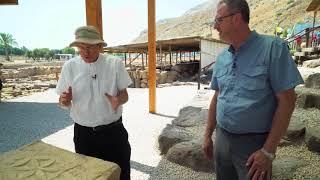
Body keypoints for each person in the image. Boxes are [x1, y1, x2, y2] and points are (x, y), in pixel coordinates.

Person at [202, 0, 304, 180]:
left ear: (236, 18)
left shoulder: (272, 48)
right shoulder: (222, 57)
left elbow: (287, 101)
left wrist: (268, 151)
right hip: (222, 139)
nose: (215, 26)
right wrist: (208, 135)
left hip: (254, 145)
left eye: (218, 20)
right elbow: (217, 97)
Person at [56, 25, 132, 180]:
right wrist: (64, 100)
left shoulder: (114, 64)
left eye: (89, 47)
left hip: (114, 132)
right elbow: (62, 102)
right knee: (89, 176)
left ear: (99, 46)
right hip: (84, 136)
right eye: (81, 47)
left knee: (121, 174)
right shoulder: (70, 67)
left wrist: (118, 100)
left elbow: (125, 95)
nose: (85, 52)